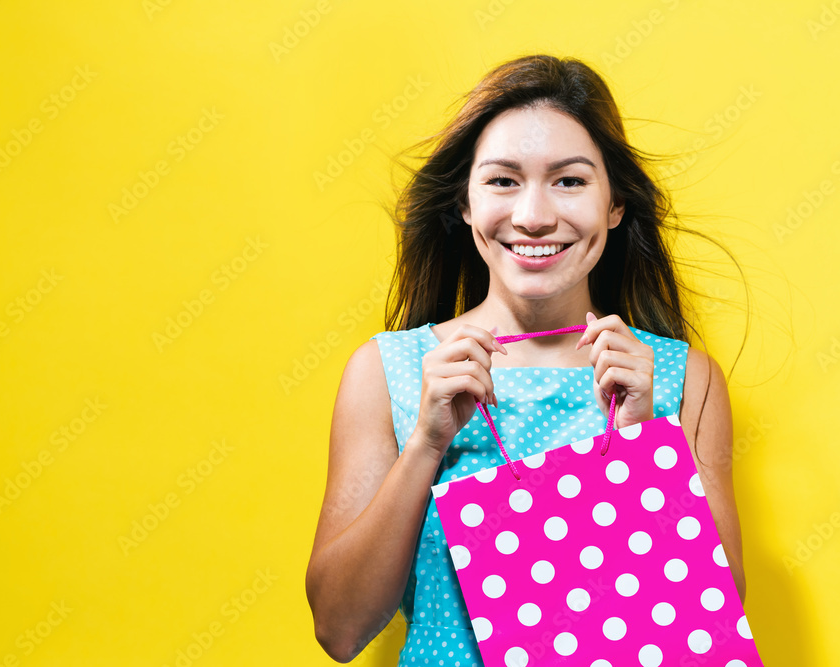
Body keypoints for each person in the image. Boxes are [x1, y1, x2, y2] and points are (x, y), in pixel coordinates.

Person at [305, 54, 746, 665]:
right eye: (502, 180)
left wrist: (645, 444)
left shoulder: (679, 380)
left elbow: (708, 629)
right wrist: (426, 446)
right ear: (464, 202)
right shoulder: (392, 371)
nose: (535, 216)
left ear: (615, 204)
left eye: (569, 180)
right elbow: (339, 627)